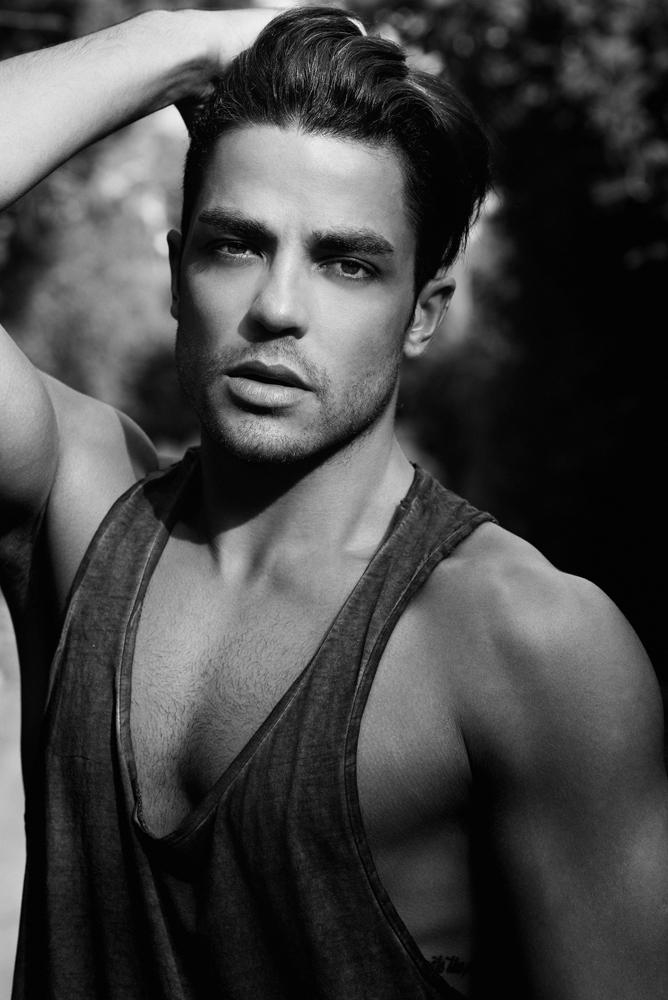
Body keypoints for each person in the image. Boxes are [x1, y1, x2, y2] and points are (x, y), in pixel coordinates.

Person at [0, 6, 666, 999]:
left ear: (422, 313)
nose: (278, 307)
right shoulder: (79, 511)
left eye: (347, 262)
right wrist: (184, 42)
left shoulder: (522, 640)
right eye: (236, 245)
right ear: (178, 272)